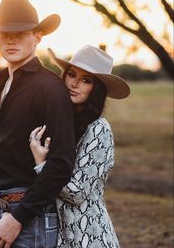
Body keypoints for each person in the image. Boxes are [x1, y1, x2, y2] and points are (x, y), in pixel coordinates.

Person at [0, 0, 75, 248]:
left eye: (21, 32)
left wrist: (18, 218)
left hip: (28, 218)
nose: (11, 39)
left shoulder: (50, 88)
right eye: (3, 33)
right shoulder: (1, 82)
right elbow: (1, 148)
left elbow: (61, 164)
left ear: (37, 37)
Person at [29, 45, 130, 248]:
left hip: (88, 235)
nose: (74, 84)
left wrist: (42, 164)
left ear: (96, 89)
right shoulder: (61, 121)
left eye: (86, 80)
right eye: (72, 75)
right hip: (58, 233)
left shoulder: (99, 129)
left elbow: (76, 192)